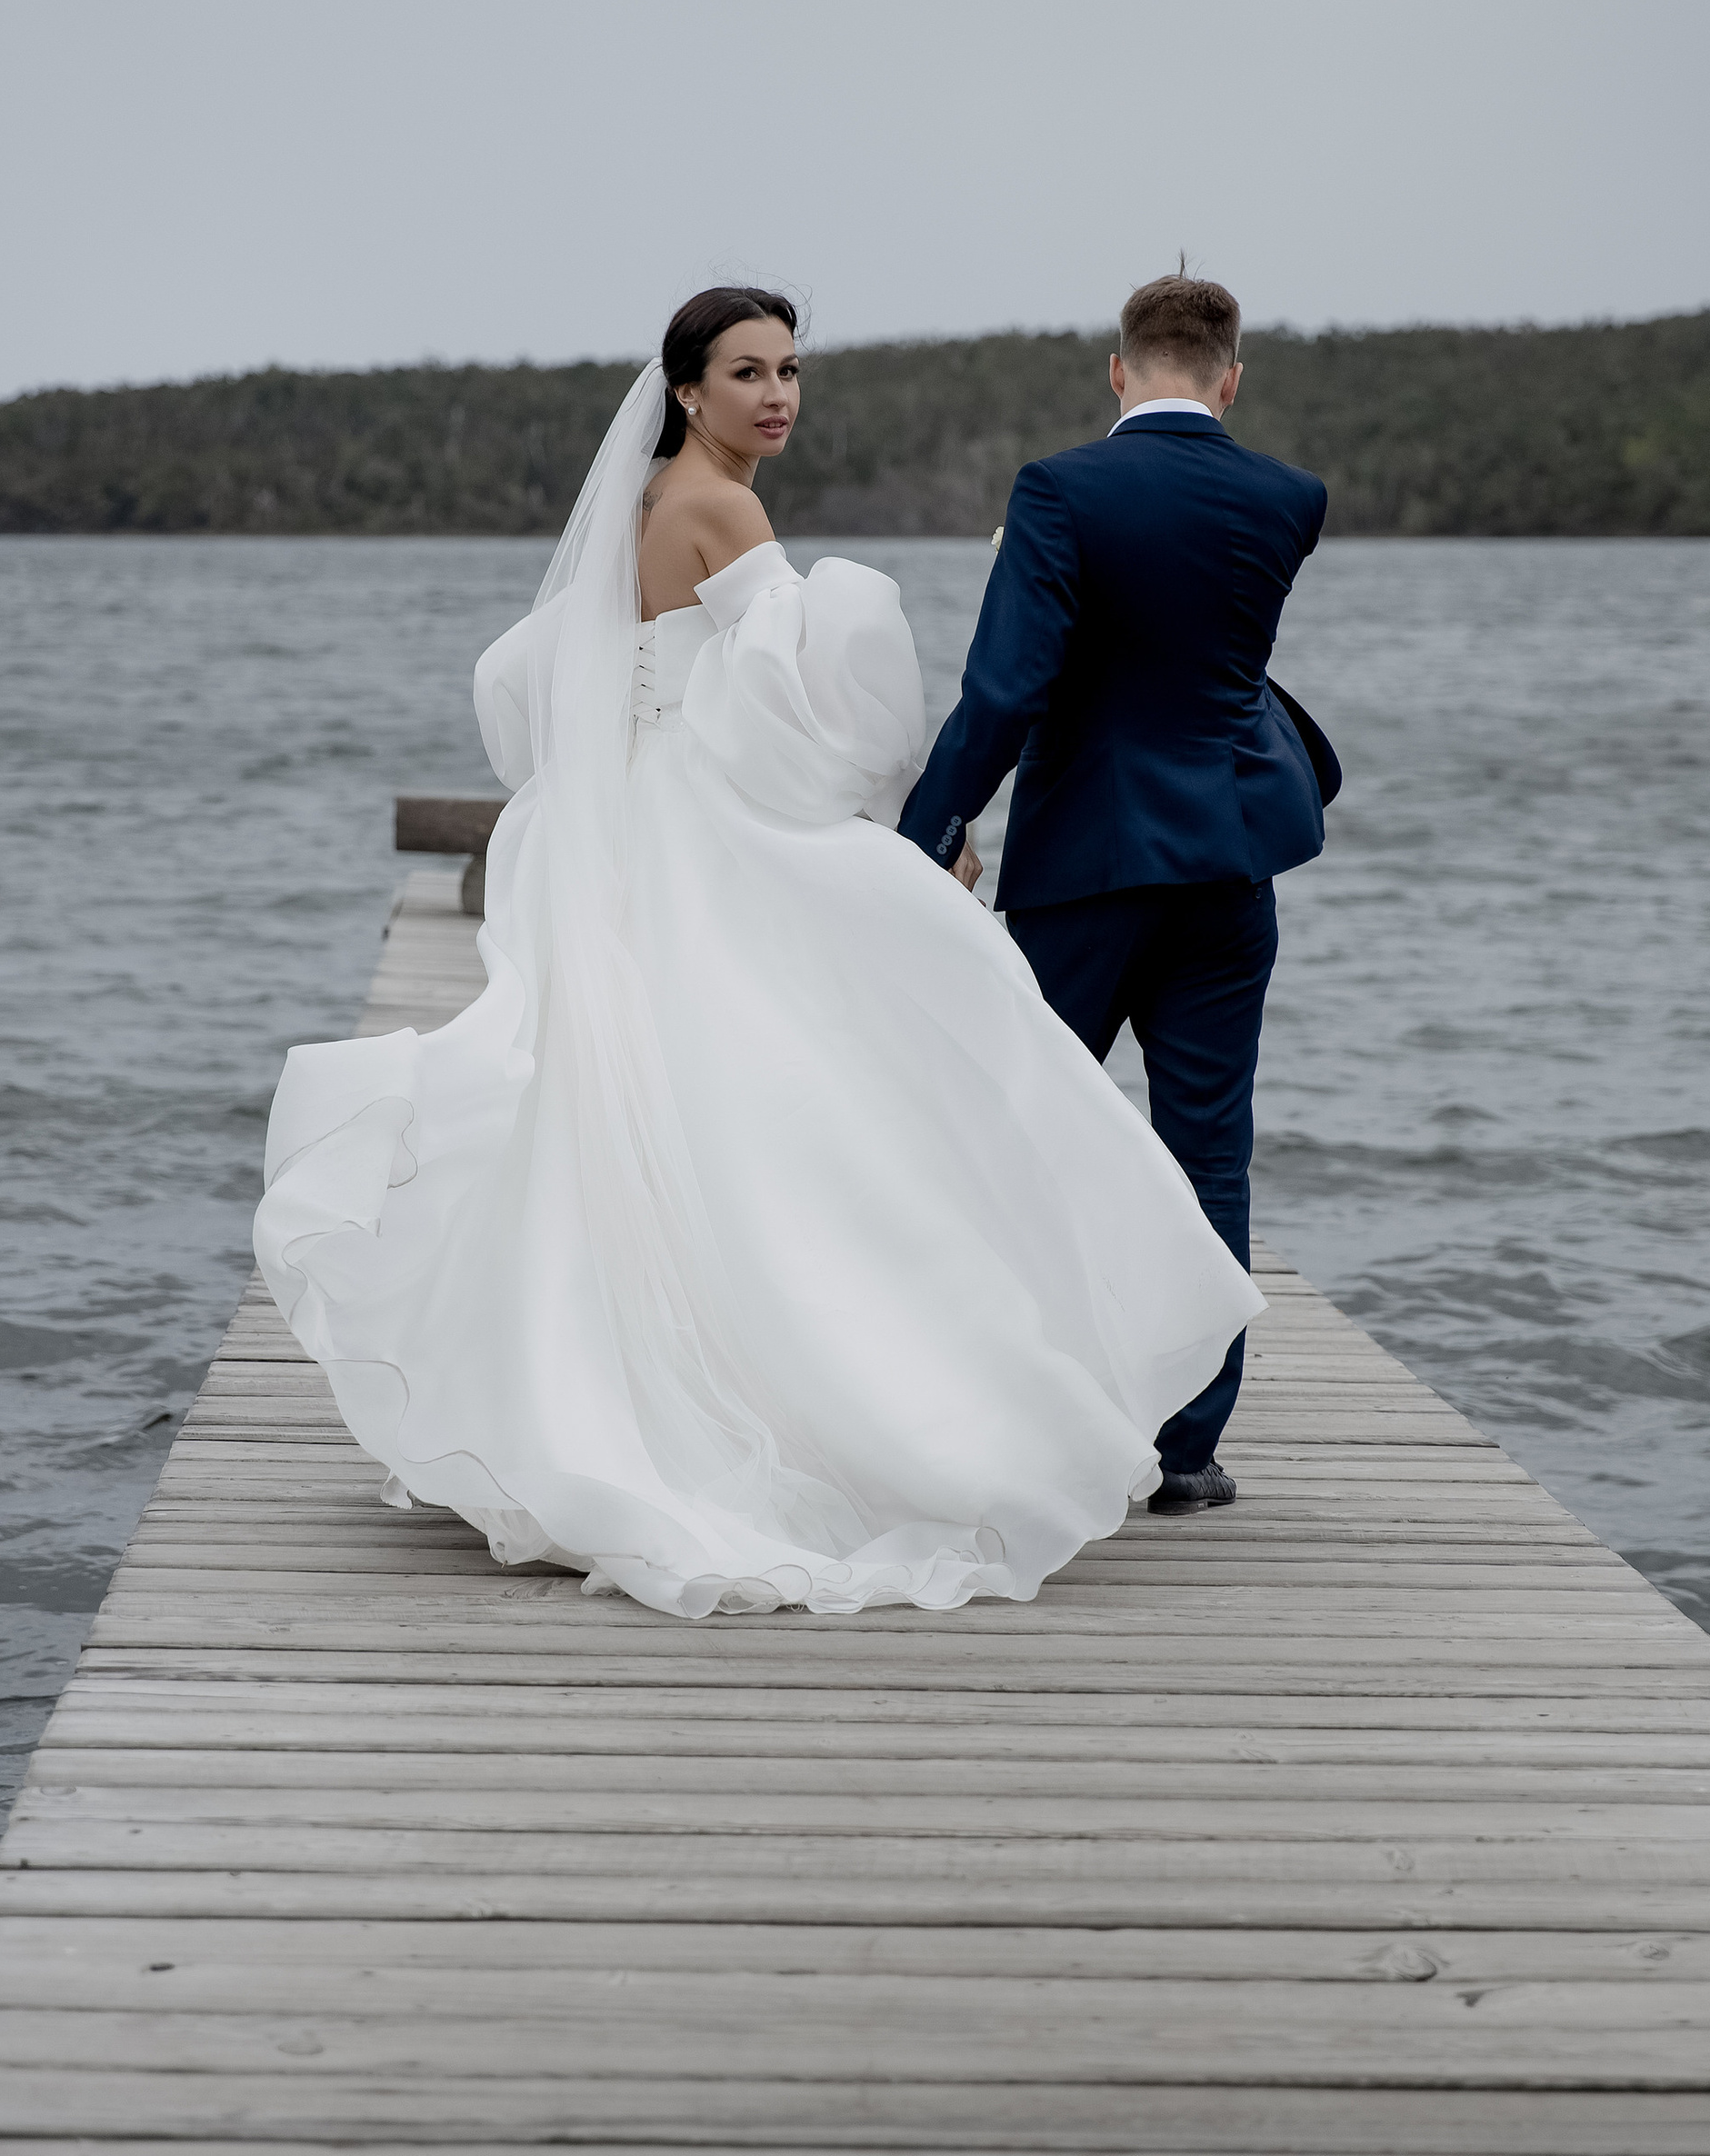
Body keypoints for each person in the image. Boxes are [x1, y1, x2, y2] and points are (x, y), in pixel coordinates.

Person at [255, 285, 1261, 1620]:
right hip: (710, 823)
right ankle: (891, 1387)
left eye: (790, 371)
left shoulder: (639, 505)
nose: (777, 395)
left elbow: (572, 674)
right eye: (747, 373)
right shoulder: (724, 508)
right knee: (861, 1048)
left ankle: (636, 1377)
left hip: (637, 821)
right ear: (686, 390)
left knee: (684, 1095)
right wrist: (906, 824)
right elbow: (802, 704)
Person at [899, 272, 1337, 1513]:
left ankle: (996, 1411)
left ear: (1117, 370)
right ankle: (1187, 1452)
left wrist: (929, 829)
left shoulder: (1061, 490)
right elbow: (1205, 657)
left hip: (1086, 866)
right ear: (1232, 376)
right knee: (1210, 1153)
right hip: (1228, 871)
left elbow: (1006, 689)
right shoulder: (1288, 500)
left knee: (1008, 1133)